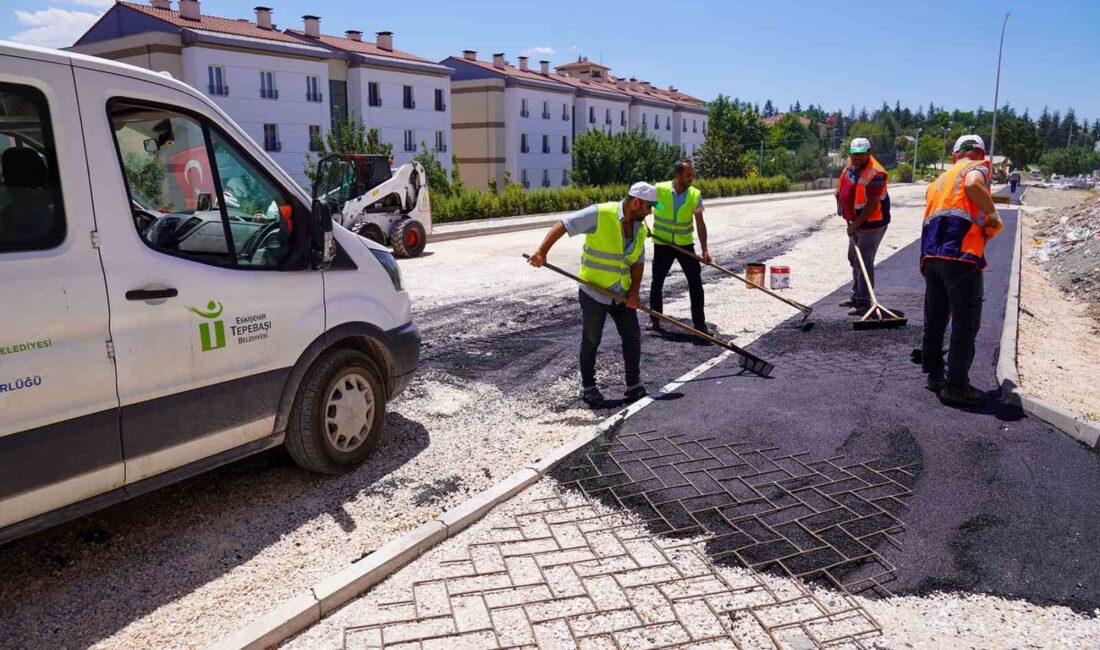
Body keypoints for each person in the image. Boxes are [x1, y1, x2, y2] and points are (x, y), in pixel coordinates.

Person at [528, 182, 657, 407]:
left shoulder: (641, 227)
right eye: (648, 206)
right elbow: (564, 225)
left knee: (632, 336)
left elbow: (637, 262)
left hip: (622, 293)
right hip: (593, 292)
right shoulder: (600, 213)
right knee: (591, 339)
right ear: (636, 202)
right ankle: (589, 387)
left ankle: (633, 385)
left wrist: (634, 293)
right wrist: (542, 251)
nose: (650, 212)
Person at [920, 135, 1004, 406]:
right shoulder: (975, 168)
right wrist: (993, 215)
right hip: (961, 256)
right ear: (979, 152)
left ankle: (935, 375)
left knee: (935, 318)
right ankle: (956, 386)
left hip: (932, 255)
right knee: (965, 322)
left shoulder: (940, 180)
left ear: (954, 155)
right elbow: (973, 185)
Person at [648, 159, 709, 335]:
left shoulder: (695, 195)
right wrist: (647, 225)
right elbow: (646, 206)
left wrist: (704, 249)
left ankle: (699, 325)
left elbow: (700, 223)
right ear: (677, 176)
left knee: (695, 283)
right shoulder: (659, 189)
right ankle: (655, 320)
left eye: (692, 175)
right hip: (663, 244)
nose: (692, 178)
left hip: (684, 244)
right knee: (657, 282)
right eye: (688, 175)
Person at [835, 137, 891, 315]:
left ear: (868, 153)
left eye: (860, 154)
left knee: (864, 262)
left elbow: (872, 205)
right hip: (856, 221)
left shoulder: (876, 173)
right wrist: (840, 201)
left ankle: (864, 302)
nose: (856, 158)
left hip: (872, 223)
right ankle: (856, 294)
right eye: (853, 154)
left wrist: (855, 225)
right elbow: (845, 185)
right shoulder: (850, 164)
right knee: (853, 258)